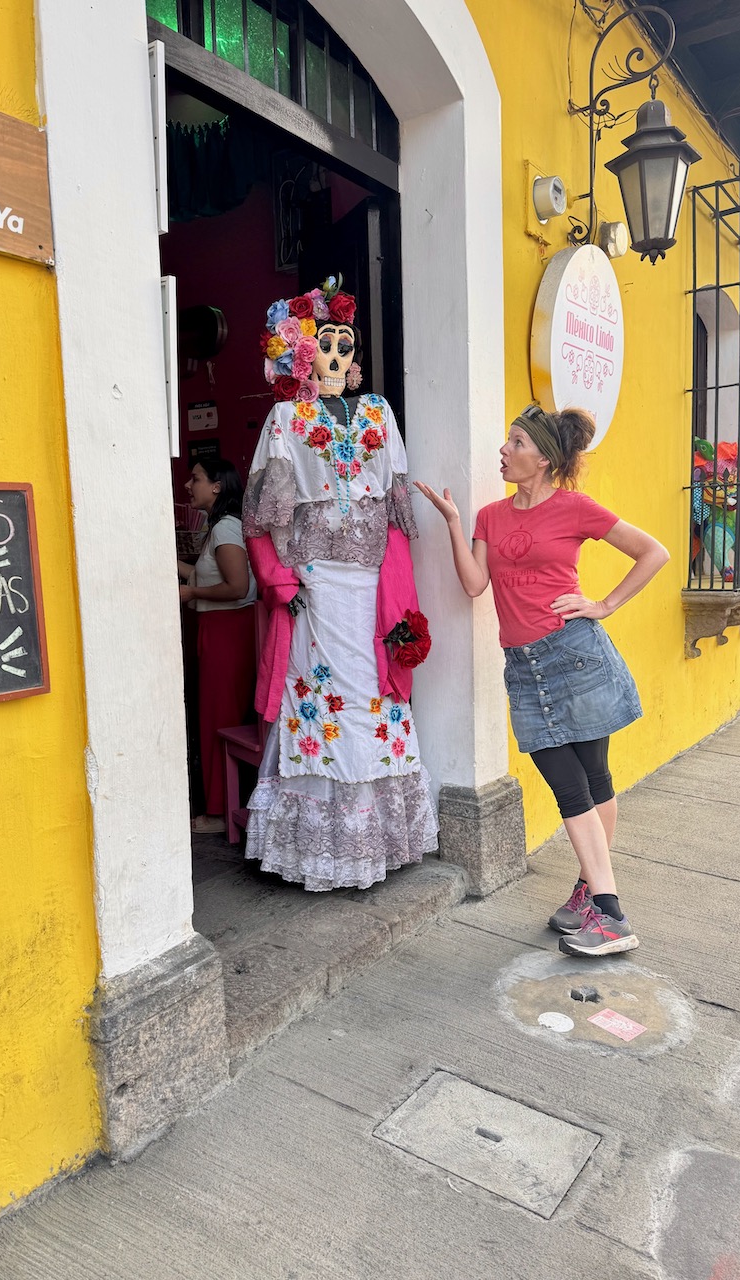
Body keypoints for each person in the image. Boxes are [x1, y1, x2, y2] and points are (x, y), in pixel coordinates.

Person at [415, 403, 669, 955]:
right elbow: (475, 584)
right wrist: (454, 524)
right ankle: (592, 895)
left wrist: (604, 604)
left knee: (590, 781)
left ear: (545, 459)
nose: (504, 450)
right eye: (507, 441)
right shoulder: (489, 516)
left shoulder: (575, 508)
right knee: (572, 783)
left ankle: (608, 914)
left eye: (517, 443)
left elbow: (654, 553)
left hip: (575, 655)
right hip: (525, 667)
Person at [242, 276, 438, 891]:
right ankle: (318, 848)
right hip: (316, 588)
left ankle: (377, 839)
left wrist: (402, 598)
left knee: (375, 697)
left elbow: (396, 511)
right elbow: (260, 518)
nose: (334, 354)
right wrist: (279, 581)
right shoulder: (285, 418)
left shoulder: (379, 413)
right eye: (323, 343)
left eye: (344, 344)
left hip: (372, 587)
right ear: (301, 353)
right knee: (323, 703)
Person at [178, 458, 257, 834]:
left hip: (227, 632)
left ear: (217, 486)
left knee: (218, 720)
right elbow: (205, 574)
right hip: (221, 630)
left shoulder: (226, 528)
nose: (188, 485)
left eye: (195, 478)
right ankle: (222, 806)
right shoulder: (222, 527)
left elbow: (237, 588)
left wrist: (191, 593)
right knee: (218, 717)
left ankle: (220, 812)